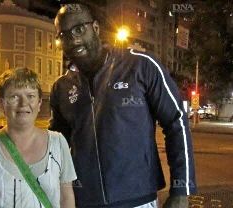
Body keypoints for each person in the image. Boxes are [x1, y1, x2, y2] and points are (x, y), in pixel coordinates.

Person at [49, 3, 196, 208]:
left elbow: (176, 121)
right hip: (84, 200)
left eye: (79, 29)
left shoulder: (141, 65)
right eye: (64, 35)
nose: (73, 39)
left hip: (138, 198)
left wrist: (181, 189)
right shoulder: (61, 87)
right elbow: (57, 144)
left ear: (96, 28)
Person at [0, 68, 77, 208]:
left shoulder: (58, 143)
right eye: (14, 97)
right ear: (2, 104)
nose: (23, 103)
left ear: (39, 103)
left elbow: (66, 197)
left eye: (30, 96)